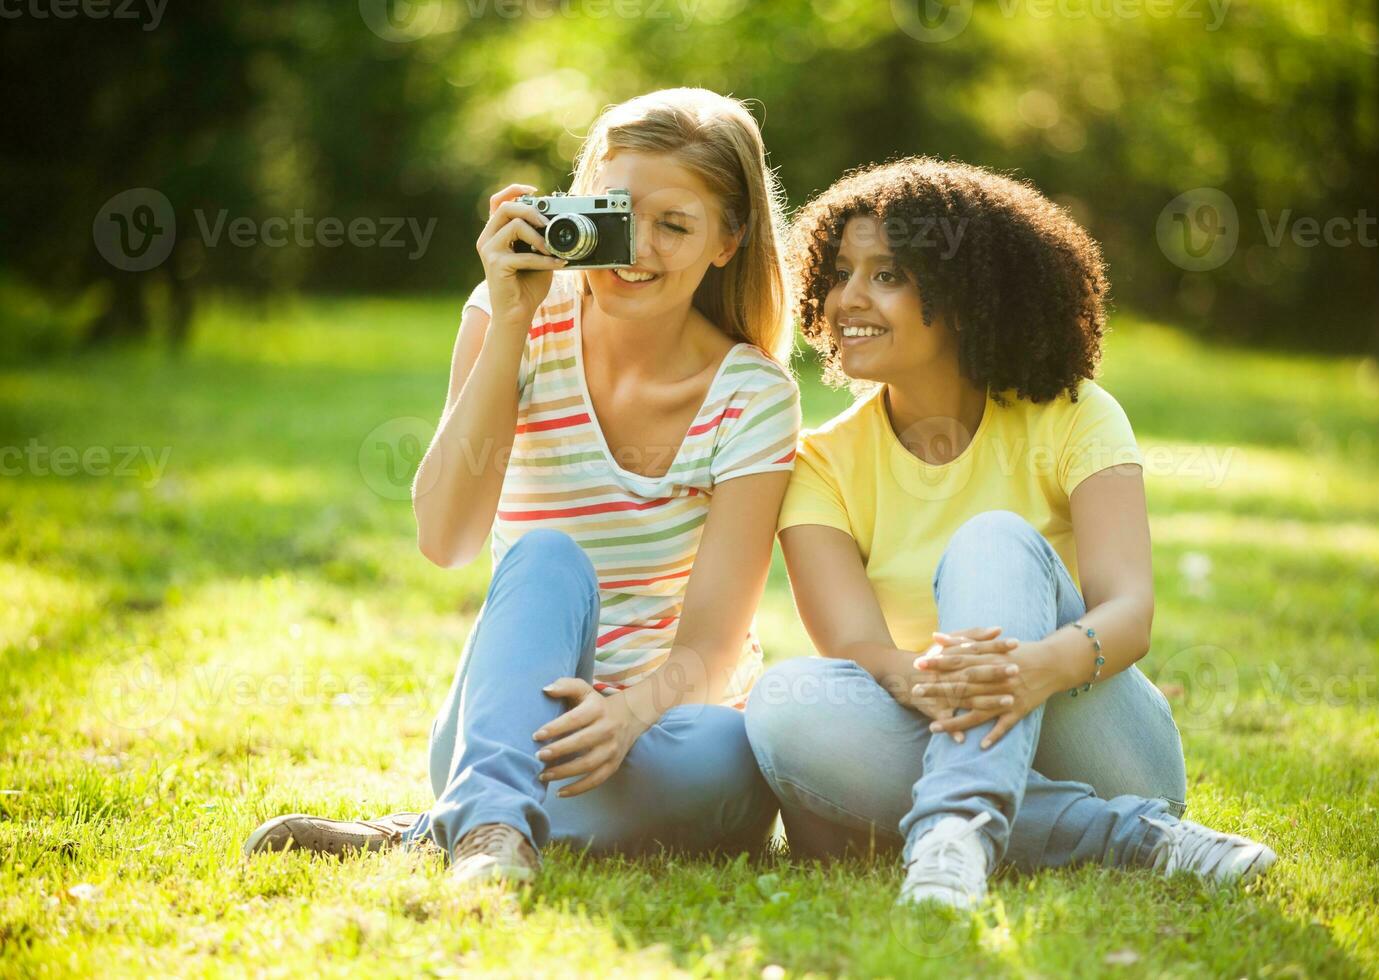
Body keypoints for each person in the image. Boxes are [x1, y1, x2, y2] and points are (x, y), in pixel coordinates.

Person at [244, 89, 801, 887]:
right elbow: (446, 540)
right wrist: (509, 322)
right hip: (509, 727)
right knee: (544, 557)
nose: (632, 250)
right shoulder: (516, 321)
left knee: (734, 761)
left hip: (662, 736)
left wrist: (626, 714)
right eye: (615, 213)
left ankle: (445, 828)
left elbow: (712, 649)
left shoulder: (752, 394)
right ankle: (495, 827)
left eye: (673, 225)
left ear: (728, 240)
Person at [745, 157, 1276, 910]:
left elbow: (1129, 614)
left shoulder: (1077, 415)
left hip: (1099, 738)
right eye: (838, 273)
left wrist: (1030, 670)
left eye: (887, 274)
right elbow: (859, 649)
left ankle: (952, 821)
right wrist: (944, 681)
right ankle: (1120, 839)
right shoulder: (822, 463)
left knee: (993, 537)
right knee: (781, 703)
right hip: (933, 715)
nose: (846, 299)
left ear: (965, 296)